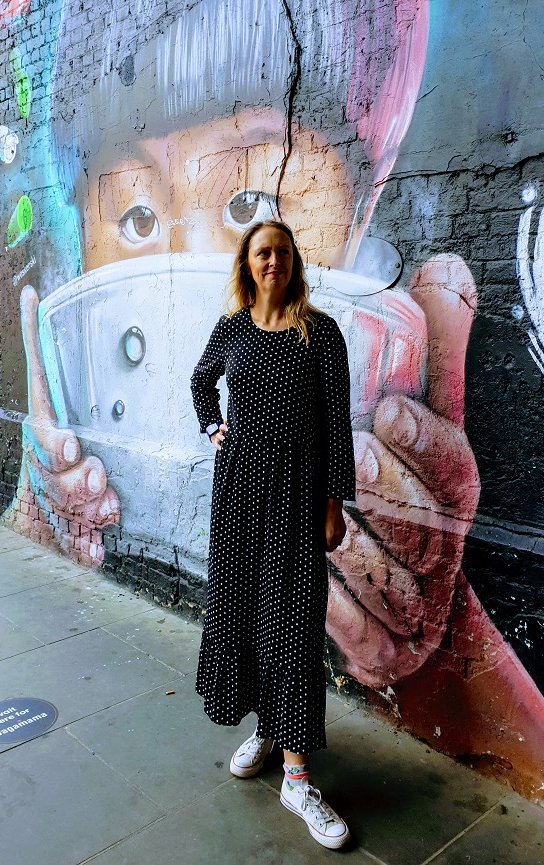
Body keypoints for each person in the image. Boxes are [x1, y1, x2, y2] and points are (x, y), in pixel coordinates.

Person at [190, 219, 355, 851]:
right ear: (247, 261)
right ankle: (267, 727)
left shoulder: (322, 334)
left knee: (292, 622)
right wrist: (214, 429)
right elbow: (202, 382)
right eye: (263, 253)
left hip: (298, 496)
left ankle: (297, 777)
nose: (273, 263)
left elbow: (337, 426)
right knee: (244, 613)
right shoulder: (231, 328)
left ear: (295, 263)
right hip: (238, 495)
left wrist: (333, 504)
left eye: (282, 253)